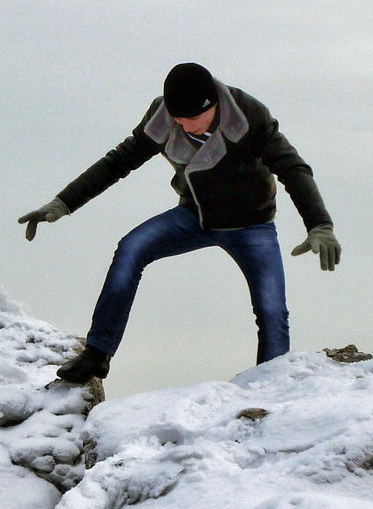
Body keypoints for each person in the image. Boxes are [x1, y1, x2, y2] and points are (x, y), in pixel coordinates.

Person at [18, 62, 341, 383]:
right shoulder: (162, 118)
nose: (187, 128)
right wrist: (63, 202)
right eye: (180, 120)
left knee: (272, 309)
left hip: (251, 224)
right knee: (131, 249)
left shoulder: (248, 116)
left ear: (214, 104)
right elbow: (119, 161)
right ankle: (97, 354)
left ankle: (270, 385)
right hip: (195, 215)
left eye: (195, 119)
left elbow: (293, 168)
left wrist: (319, 224)